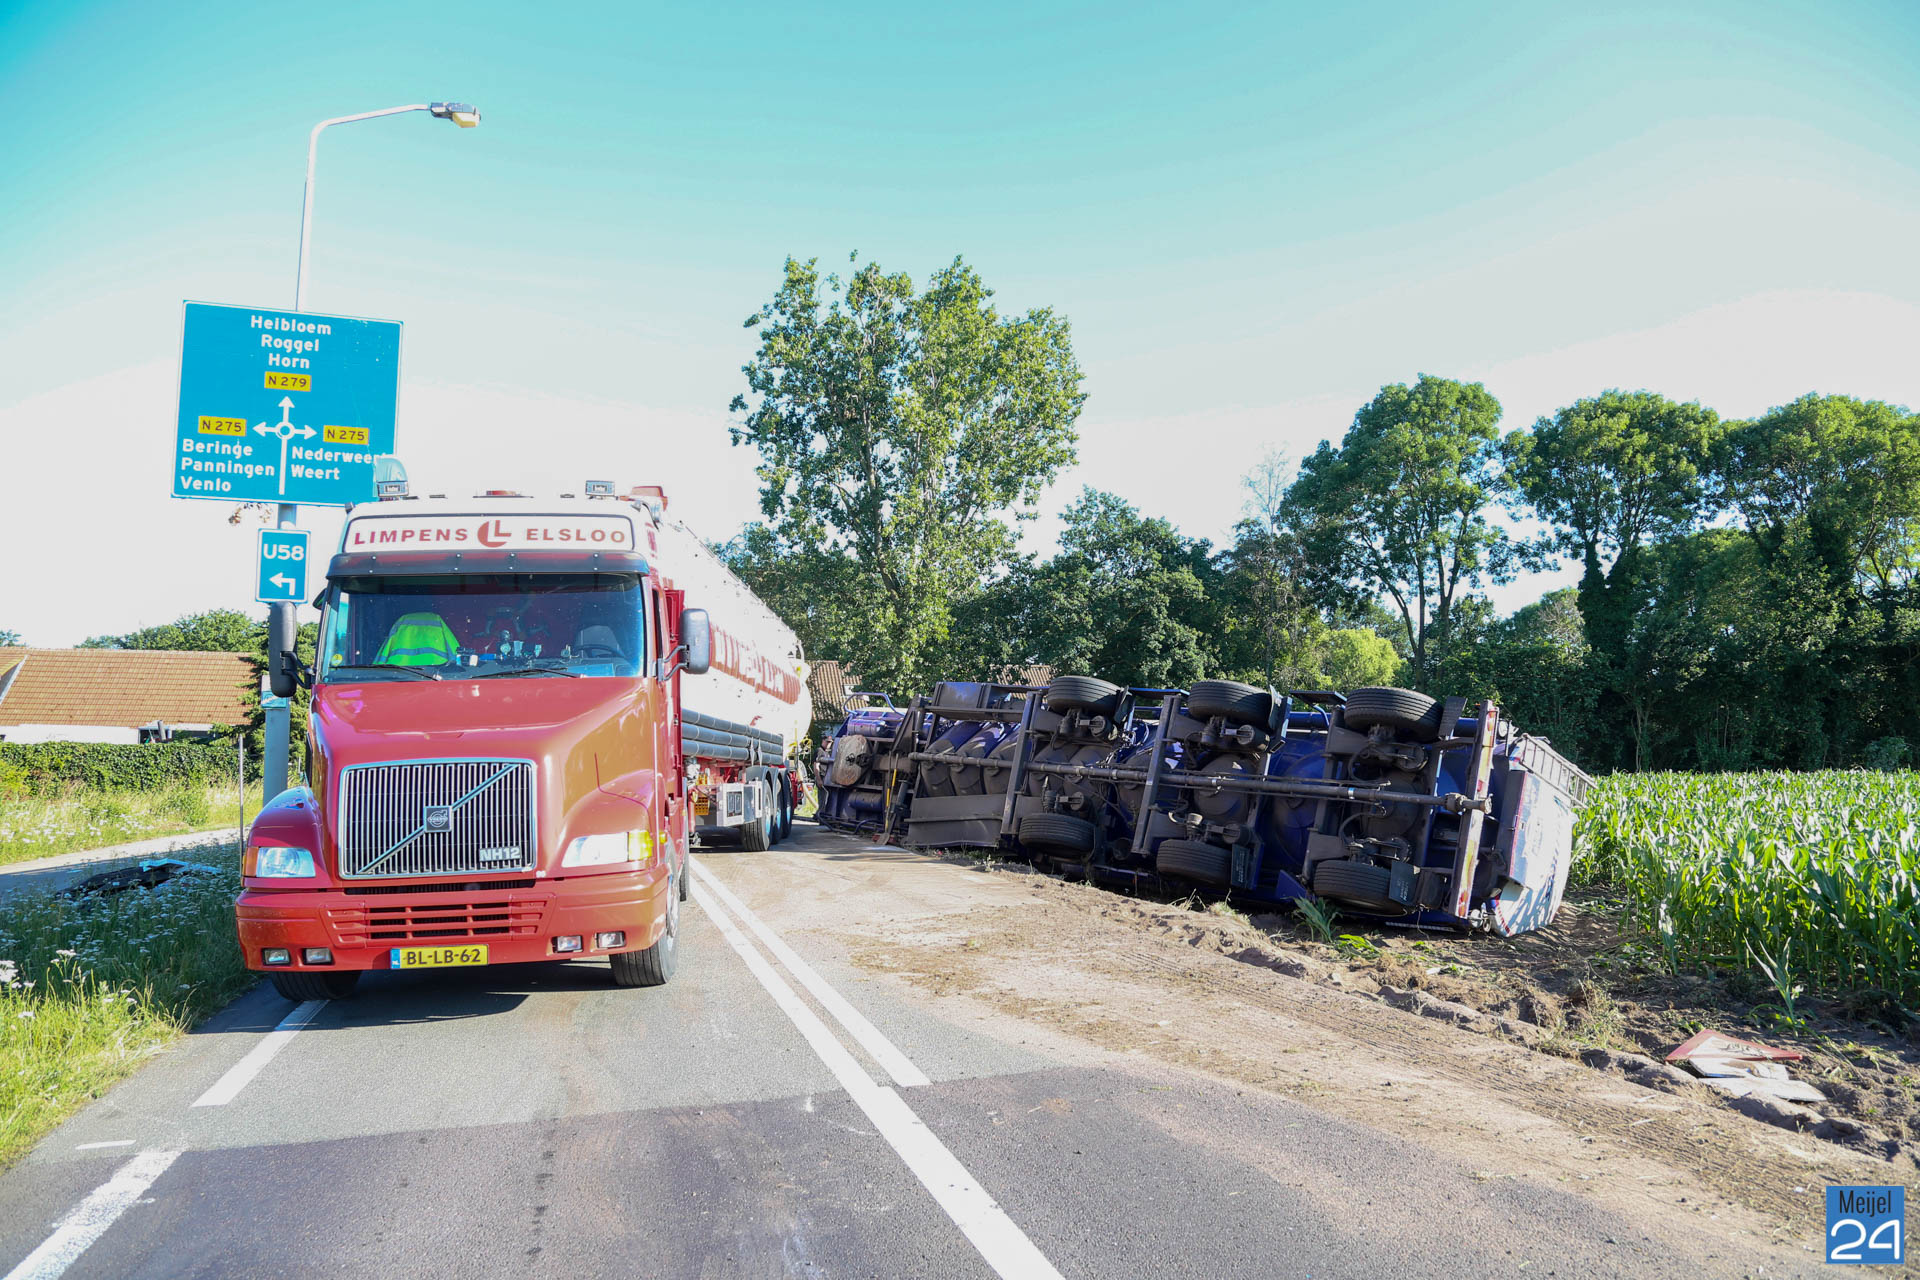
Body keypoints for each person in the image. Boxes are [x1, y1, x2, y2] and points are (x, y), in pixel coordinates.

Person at [375, 612, 460, 667]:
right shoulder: (437, 620)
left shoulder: (402, 622)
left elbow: (379, 665)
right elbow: (456, 654)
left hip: (398, 680)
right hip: (437, 679)